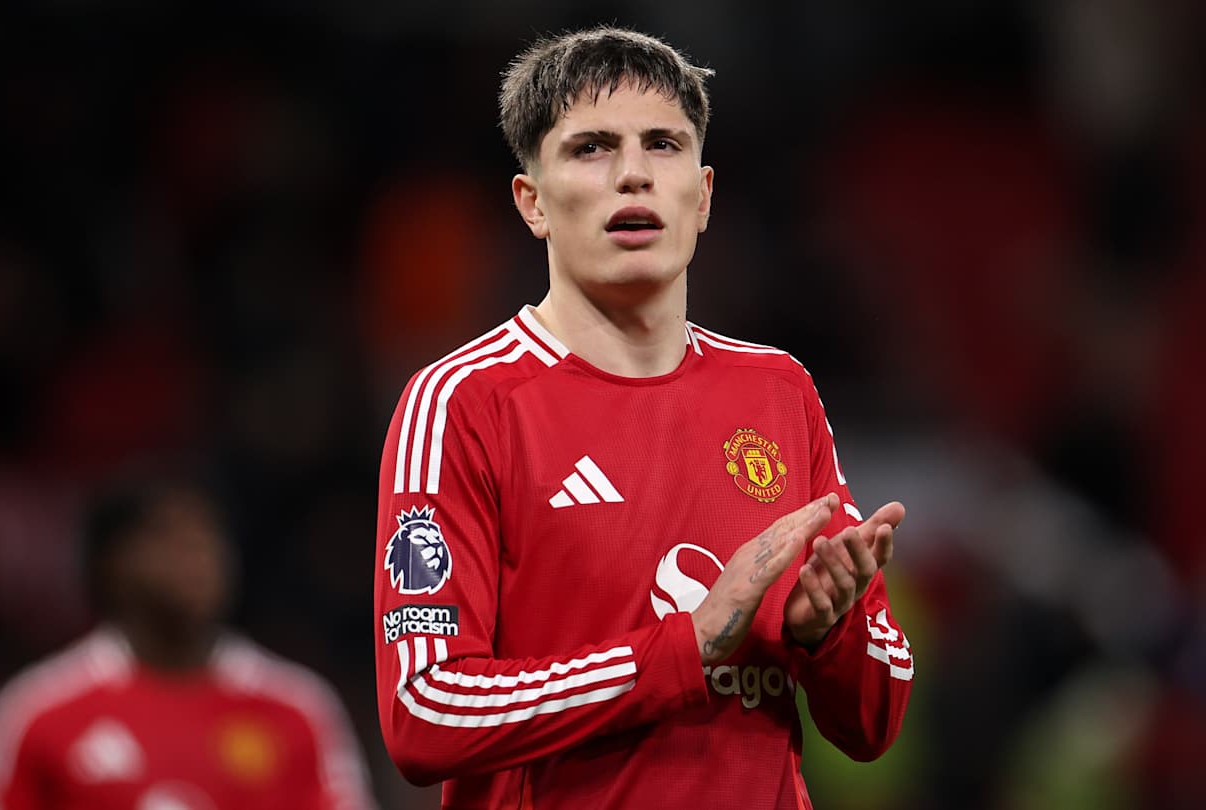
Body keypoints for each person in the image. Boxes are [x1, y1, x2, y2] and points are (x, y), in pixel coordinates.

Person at [372, 26, 913, 809]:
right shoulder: (462, 402)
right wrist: (684, 650)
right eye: (591, 148)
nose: (633, 173)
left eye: (663, 144)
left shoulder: (778, 389)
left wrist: (825, 633)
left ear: (704, 194)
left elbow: (876, 722)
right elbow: (425, 710)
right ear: (532, 203)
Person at [0, 479, 376, 810]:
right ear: (112, 563)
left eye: (208, 536)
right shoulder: (40, 711)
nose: (197, 555)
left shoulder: (298, 708)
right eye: (168, 536)